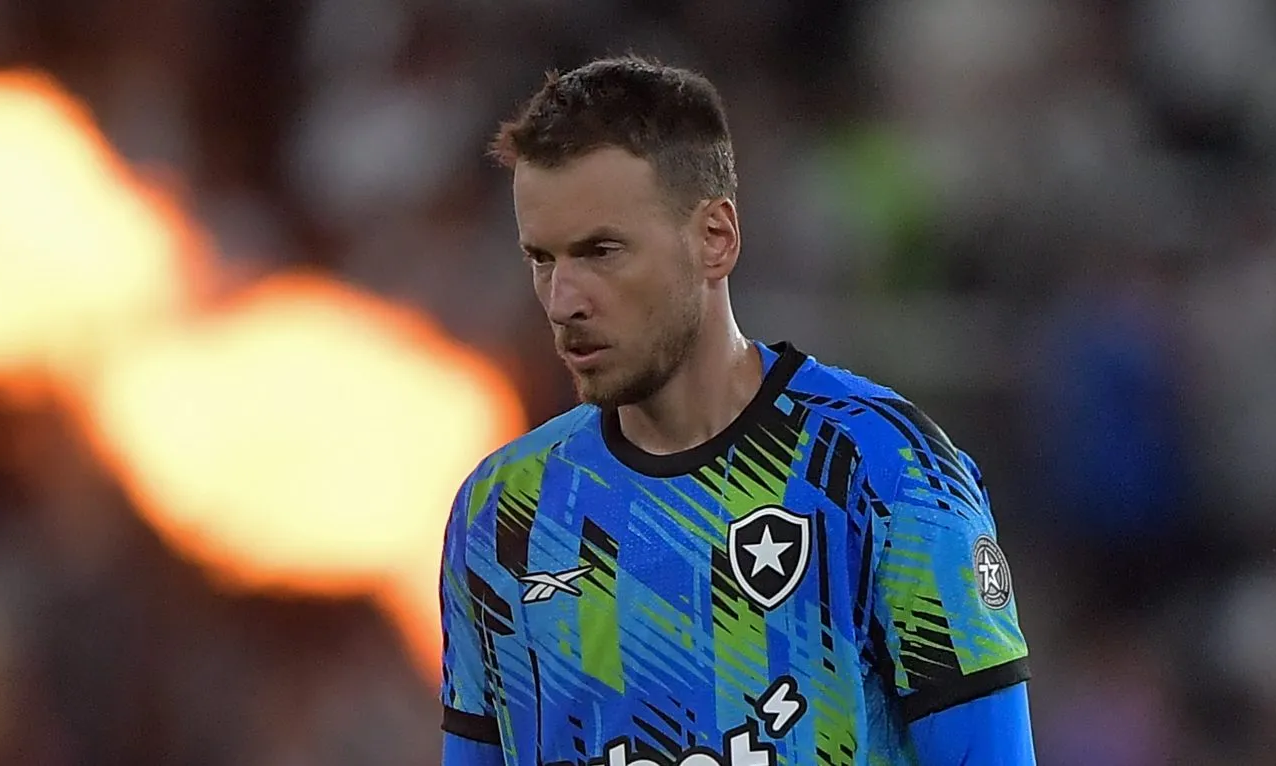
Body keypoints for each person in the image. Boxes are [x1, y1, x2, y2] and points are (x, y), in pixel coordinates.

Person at [439, 56, 1036, 766]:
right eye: (542, 258)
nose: (564, 299)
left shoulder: (885, 474)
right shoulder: (504, 514)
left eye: (602, 251)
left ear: (715, 238)